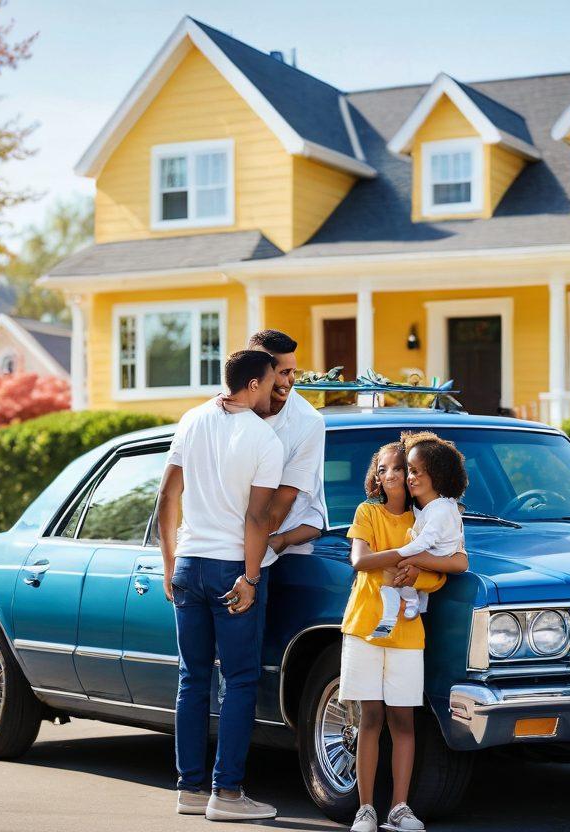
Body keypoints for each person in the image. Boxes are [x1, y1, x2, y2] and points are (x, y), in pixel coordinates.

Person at [158, 349, 283, 822]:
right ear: (252, 384)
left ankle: (189, 790)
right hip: (232, 568)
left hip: (189, 564)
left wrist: (170, 564)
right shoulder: (264, 439)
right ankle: (226, 794)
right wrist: (251, 577)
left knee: (192, 679)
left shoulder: (191, 420)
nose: (276, 390)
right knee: (240, 680)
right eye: (272, 382)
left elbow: (168, 496)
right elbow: (258, 517)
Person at [339, 439, 469, 832]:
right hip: (364, 628)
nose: (396, 475)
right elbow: (360, 560)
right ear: (376, 479)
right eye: (385, 470)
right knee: (370, 717)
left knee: (404, 720)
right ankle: (365, 809)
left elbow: (449, 568)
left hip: (407, 634)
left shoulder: (428, 517)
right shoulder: (368, 513)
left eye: (402, 468)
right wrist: (406, 559)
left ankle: (398, 808)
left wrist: (416, 571)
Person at [371, 434, 465, 637]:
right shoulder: (374, 513)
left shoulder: (443, 511)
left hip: (416, 632)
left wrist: (415, 559)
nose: (405, 477)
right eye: (409, 471)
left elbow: (461, 562)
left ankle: (407, 606)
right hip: (379, 616)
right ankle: (392, 616)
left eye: (406, 470)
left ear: (437, 474)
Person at [248, 329, 327, 559]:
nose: (290, 381)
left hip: (285, 551)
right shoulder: (227, 409)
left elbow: (281, 503)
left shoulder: (308, 422)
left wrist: (243, 557)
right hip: (230, 546)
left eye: (292, 372)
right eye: (282, 372)